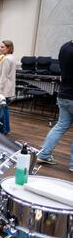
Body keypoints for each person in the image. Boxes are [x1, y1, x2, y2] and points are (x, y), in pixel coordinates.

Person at [38, 40, 73, 172]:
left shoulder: (65, 47)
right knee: (61, 125)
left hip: (63, 94)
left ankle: (44, 154)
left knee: (60, 125)